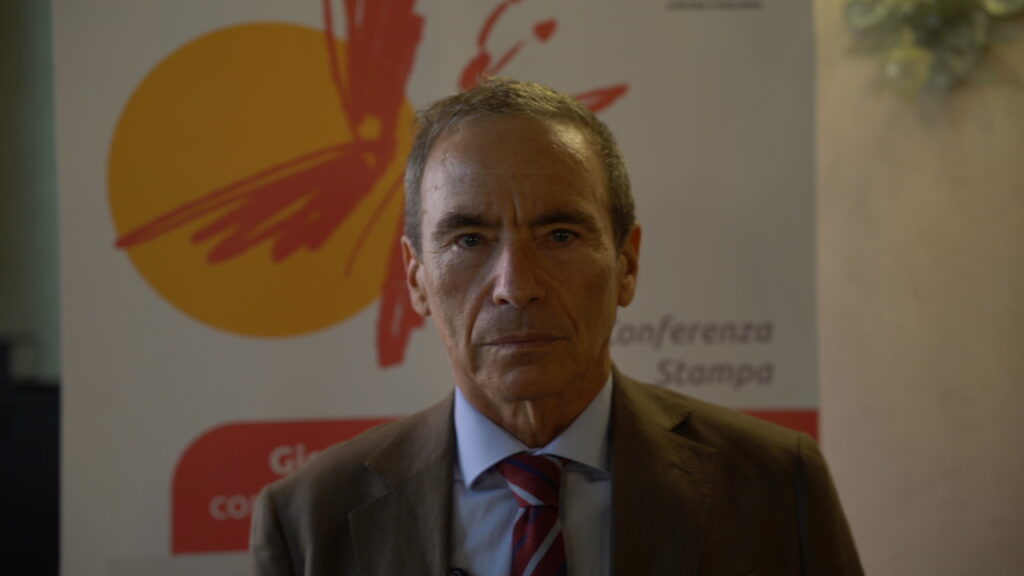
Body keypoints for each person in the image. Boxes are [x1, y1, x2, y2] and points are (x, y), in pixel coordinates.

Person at [250, 78, 863, 576]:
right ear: (416, 279)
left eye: (560, 235)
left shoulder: (776, 485)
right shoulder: (309, 520)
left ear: (627, 265)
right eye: (469, 240)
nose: (516, 286)